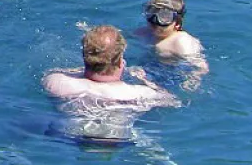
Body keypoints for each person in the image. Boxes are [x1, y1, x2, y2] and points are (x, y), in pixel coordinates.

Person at [43, 25, 177, 107]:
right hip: (115, 141)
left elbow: (54, 72)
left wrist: (80, 71)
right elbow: (173, 101)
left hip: (68, 138)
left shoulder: (55, 82)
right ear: (120, 62)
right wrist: (145, 80)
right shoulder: (139, 94)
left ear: (85, 58)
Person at [137, 0, 209, 85]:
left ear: (177, 23)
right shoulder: (145, 32)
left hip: (175, 75)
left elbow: (201, 67)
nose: (155, 20)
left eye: (164, 17)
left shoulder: (181, 41)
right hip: (153, 68)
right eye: (151, 12)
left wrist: (193, 79)